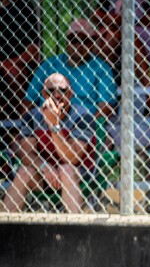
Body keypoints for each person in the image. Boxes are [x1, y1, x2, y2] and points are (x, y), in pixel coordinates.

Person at [2, 74, 95, 213]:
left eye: (63, 91)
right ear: (44, 94)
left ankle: (76, 227)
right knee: (24, 171)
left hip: (77, 173)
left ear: (70, 94)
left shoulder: (83, 116)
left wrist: (53, 125)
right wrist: (44, 166)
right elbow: (26, 154)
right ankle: (5, 224)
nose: (57, 95)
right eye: (51, 91)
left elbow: (72, 158)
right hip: (44, 174)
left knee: (66, 170)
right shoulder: (32, 117)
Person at [24, 18, 117, 120]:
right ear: (67, 43)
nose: (78, 45)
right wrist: (29, 124)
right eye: (74, 40)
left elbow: (106, 107)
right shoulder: (49, 65)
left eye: (84, 40)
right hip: (46, 121)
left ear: (91, 43)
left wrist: (88, 126)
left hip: (83, 124)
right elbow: (29, 101)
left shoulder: (102, 68)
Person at [0, 0, 40, 121]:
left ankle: (19, 122)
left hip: (16, 63)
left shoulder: (24, 8)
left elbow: (33, 51)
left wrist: (10, 63)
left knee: (14, 73)